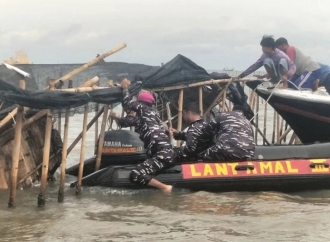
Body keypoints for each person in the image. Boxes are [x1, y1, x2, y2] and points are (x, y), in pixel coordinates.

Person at [120, 78, 174, 193]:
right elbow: (126, 122)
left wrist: (125, 89)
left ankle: (165, 188)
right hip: (164, 151)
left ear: (140, 104)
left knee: (136, 174)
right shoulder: (152, 115)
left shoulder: (143, 109)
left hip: (161, 152)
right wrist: (115, 117)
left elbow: (127, 102)